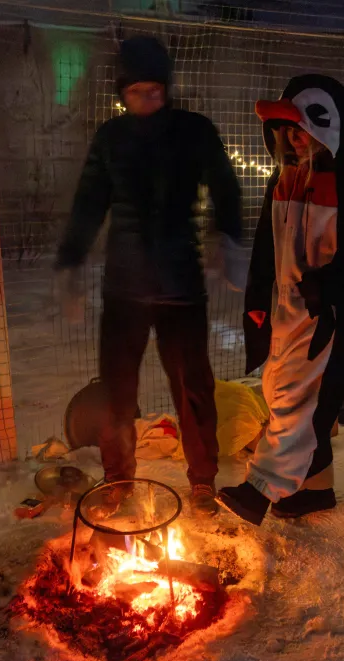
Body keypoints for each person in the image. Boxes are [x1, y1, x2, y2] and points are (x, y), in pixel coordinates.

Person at [54, 36, 246, 516]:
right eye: (137, 90)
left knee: (193, 388)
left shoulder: (194, 131)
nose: (147, 99)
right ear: (122, 91)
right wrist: (71, 262)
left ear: (168, 89)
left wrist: (228, 238)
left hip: (180, 287)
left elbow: (225, 184)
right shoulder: (111, 138)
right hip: (124, 288)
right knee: (117, 391)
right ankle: (117, 479)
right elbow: (88, 203)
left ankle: (202, 481)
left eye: (155, 90)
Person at [217, 75, 344, 525]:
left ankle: (261, 488)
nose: (296, 139)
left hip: (331, 315)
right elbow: (266, 246)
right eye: (288, 132)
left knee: (302, 402)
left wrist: (330, 287)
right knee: (282, 388)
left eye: (302, 129)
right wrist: (259, 299)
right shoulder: (285, 178)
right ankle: (316, 491)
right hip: (285, 310)